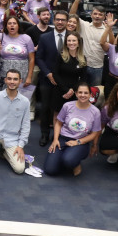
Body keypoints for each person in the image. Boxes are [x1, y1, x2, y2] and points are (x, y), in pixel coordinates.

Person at [44, 82, 102, 177]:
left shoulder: (95, 112)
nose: (83, 95)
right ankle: (64, 158)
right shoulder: (67, 106)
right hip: (62, 138)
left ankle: (75, 163)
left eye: (86, 93)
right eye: (80, 92)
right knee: (50, 170)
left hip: (81, 142)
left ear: (90, 94)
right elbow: (59, 123)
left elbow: (94, 133)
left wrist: (78, 142)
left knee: (69, 160)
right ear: (76, 93)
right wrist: (55, 139)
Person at [35, 10, 69, 146]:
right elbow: (39, 58)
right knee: (45, 108)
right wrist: (48, 73)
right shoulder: (45, 37)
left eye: (63, 20)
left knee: (63, 108)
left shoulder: (73, 37)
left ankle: (61, 135)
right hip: (47, 79)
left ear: (67, 22)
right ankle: (44, 134)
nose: (60, 22)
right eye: (58, 19)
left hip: (65, 81)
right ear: (53, 21)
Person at [69, 0, 107, 87]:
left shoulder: (107, 31)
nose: (97, 16)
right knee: (80, 91)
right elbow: (72, 15)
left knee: (95, 94)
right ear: (91, 15)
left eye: (100, 14)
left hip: (98, 67)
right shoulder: (84, 25)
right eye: (95, 14)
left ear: (104, 17)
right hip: (82, 65)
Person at [0, 16, 35, 90]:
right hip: (4, 72)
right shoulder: (1, 36)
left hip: (22, 72)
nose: (12, 25)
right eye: (9, 23)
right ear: (6, 26)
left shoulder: (26, 38)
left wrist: (29, 77)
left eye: (14, 23)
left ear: (18, 26)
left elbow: (32, 59)